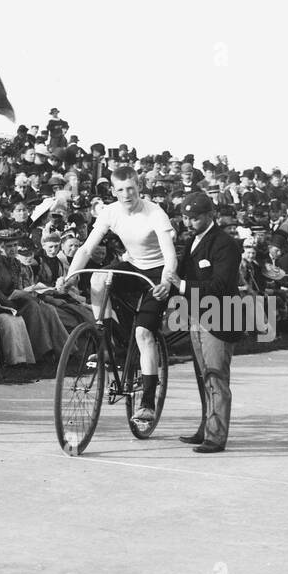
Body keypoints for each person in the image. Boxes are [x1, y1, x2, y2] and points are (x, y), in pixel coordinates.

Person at [60, 166, 176, 427]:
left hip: (157, 274)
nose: (126, 194)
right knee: (98, 277)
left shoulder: (155, 213)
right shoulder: (110, 212)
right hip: (133, 266)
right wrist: (69, 275)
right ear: (113, 191)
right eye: (120, 190)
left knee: (144, 334)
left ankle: (147, 403)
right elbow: (88, 247)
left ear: (139, 188)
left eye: (131, 188)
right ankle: (103, 335)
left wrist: (167, 279)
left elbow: (170, 254)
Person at [170, 192, 244, 453]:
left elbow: (221, 284)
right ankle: (206, 429)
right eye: (185, 217)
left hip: (222, 316)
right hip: (197, 316)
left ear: (209, 215)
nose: (188, 222)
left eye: (194, 218)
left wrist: (182, 285)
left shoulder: (225, 244)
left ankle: (216, 435)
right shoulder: (193, 240)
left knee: (216, 377)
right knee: (205, 377)